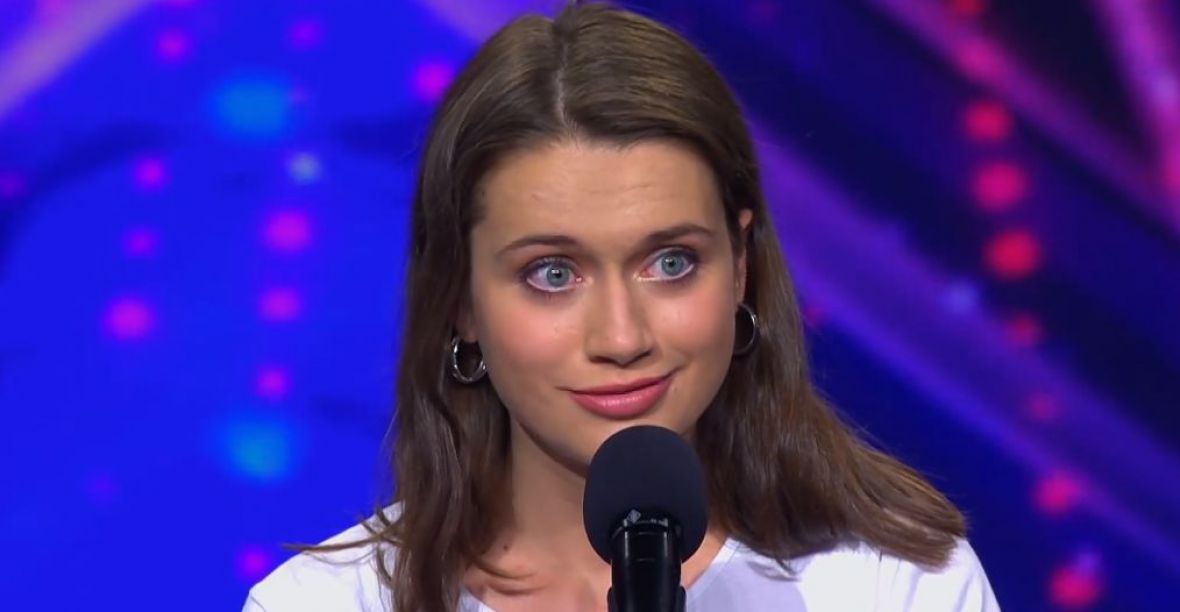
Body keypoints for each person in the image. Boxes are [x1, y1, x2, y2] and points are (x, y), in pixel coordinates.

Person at [243, 2, 1000, 610]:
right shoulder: (324, 604)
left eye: (671, 263)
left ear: (740, 266)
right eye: (552, 274)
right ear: (460, 302)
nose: (621, 335)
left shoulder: (894, 586)